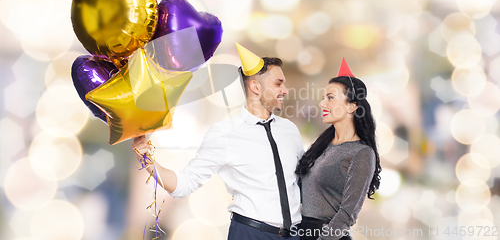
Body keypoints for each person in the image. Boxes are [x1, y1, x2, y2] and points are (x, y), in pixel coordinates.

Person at [133, 43, 304, 240]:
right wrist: (148, 161)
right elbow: (185, 184)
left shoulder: (290, 131)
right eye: (278, 83)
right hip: (250, 233)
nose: (285, 90)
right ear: (255, 87)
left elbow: (301, 181)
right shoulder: (224, 134)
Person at [293, 58, 382, 240]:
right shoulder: (321, 146)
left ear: (351, 106)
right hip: (302, 232)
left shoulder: (362, 154)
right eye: (324, 98)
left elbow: (347, 215)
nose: (322, 104)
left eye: (330, 98)